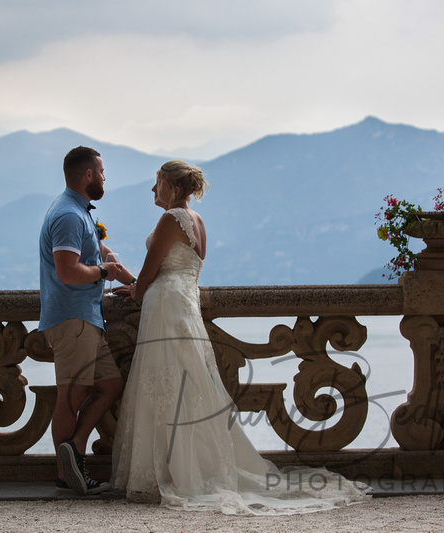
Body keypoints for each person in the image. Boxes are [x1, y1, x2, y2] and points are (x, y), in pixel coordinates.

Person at [111, 160, 370, 514]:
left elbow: (144, 282)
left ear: (173, 187)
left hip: (166, 309)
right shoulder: (198, 222)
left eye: (156, 183)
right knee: (190, 387)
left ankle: (170, 472)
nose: (152, 190)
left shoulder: (170, 219)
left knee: (165, 385)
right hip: (184, 306)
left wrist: (117, 270)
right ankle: (193, 467)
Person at [39, 146, 135, 496]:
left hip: (87, 318)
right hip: (71, 318)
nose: (106, 178)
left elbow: (100, 256)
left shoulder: (79, 212)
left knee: (110, 385)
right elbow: (67, 271)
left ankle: (75, 447)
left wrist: (132, 282)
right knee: (72, 394)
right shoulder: (68, 215)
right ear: (89, 175)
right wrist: (102, 272)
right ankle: (67, 474)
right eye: (103, 172)